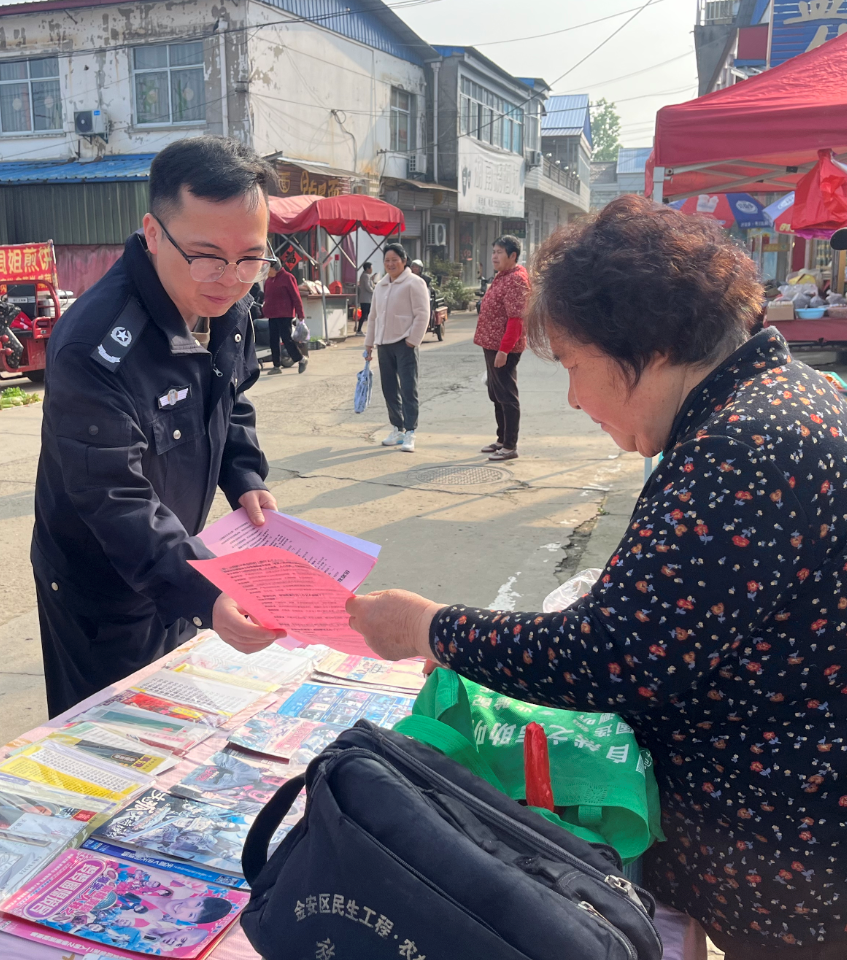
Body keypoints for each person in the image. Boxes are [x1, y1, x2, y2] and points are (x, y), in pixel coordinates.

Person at [348, 195, 847, 960]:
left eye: (576, 367)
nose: (575, 399)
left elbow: (611, 655)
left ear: (649, 346)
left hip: (783, 853)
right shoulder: (787, 397)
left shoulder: (742, 446)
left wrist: (429, 627)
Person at [32, 136, 283, 716]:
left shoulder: (228, 307)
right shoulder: (95, 347)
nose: (230, 278)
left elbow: (230, 397)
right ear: (152, 232)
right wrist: (204, 591)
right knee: (110, 734)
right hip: (102, 587)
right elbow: (113, 497)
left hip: (177, 555)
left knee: (180, 719)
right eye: (206, 255)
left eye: (251, 257)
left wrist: (244, 475)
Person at [363, 243, 430, 454]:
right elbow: (373, 317)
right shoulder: (381, 285)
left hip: (404, 344)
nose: (390, 264)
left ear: (404, 260)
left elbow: (422, 314)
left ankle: (410, 431)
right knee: (389, 388)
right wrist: (369, 343)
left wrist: (412, 341)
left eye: (394, 260)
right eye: (387, 260)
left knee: (408, 388)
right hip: (384, 344)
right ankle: (397, 428)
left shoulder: (414, 283)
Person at [475, 235, 528, 462]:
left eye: (499, 252)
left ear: (512, 255)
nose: (494, 256)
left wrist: (504, 350)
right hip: (491, 345)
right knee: (496, 394)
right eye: (493, 252)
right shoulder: (502, 276)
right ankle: (501, 438)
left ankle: (510, 445)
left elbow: (516, 319)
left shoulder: (516, 280)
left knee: (507, 395)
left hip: (503, 348)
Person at [262, 261, 307, 375]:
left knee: (286, 339)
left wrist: (300, 314)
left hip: (285, 314)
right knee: (273, 340)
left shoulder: (288, 277)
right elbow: (266, 298)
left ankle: (301, 359)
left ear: (275, 268)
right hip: (272, 314)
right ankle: (276, 366)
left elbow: (296, 297)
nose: (267, 272)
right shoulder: (269, 280)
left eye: (268, 269)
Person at [356, 261, 374, 335]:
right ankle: (359, 330)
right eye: (371, 268)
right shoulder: (366, 276)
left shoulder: (365, 275)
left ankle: (367, 330)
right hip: (366, 299)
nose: (372, 270)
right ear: (367, 269)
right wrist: (373, 290)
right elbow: (367, 287)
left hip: (366, 299)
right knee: (365, 315)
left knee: (368, 315)